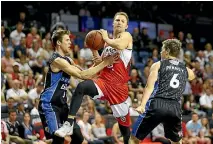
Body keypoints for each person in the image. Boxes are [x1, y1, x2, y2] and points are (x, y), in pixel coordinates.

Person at [56, 12, 133, 144]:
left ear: (126, 26)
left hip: (118, 89)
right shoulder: (107, 45)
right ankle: (69, 123)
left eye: (122, 21)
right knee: (81, 87)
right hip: (103, 82)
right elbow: (103, 65)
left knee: (125, 131)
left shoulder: (126, 36)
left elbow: (119, 45)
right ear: (113, 23)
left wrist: (105, 37)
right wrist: (94, 52)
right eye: (117, 20)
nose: (119, 22)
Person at [38, 29, 118, 144]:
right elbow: (81, 74)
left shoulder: (68, 60)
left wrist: (97, 62)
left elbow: (85, 75)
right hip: (49, 104)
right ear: (59, 43)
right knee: (58, 138)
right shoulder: (56, 60)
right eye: (67, 40)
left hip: (62, 104)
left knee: (78, 138)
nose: (70, 42)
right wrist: (105, 63)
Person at [131, 39, 195, 144]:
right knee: (177, 141)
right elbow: (192, 76)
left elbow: (149, 87)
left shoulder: (158, 65)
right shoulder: (185, 69)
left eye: (162, 50)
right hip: (175, 107)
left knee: (134, 139)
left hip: (158, 103)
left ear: (166, 51)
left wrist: (142, 105)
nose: (161, 52)